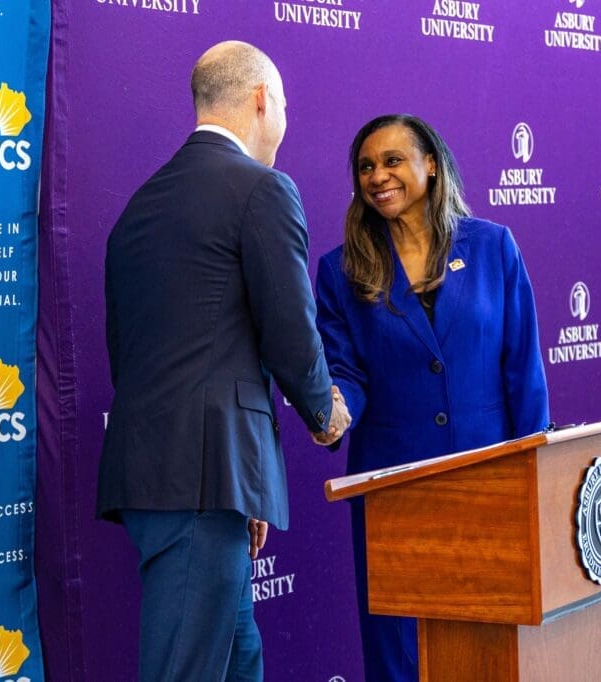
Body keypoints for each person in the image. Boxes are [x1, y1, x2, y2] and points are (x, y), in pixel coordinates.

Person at [96, 41, 350, 682]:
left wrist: (246, 478)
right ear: (262, 99)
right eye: (285, 103)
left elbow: (130, 354)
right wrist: (325, 412)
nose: (286, 118)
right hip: (203, 479)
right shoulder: (263, 190)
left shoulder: (138, 208)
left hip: (170, 475)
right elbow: (291, 333)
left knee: (238, 657)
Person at [315, 114, 549, 682]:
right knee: (398, 651)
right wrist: (333, 411)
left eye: (393, 161)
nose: (378, 176)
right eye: (366, 166)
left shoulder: (493, 246)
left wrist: (537, 465)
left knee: (487, 643)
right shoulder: (338, 270)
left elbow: (522, 366)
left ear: (431, 166)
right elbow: (346, 370)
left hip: (487, 473)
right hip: (392, 484)